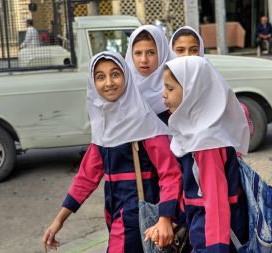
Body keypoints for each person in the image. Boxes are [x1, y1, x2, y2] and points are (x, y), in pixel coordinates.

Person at [42, 51, 182, 252]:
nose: (108, 82)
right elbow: (86, 177)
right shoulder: (103, 125)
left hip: (138, 215)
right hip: (114, 212)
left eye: (115, 74)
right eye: (100, 77)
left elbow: (170, 174)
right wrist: (59, 220)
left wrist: (165, 219)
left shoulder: (145, 124)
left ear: (126, 75)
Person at [158, 56, 250, 252]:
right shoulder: (196, 132)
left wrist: (216, 248)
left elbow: (216, 204)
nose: (163, 94)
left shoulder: (206, 143)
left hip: (214, 236)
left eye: (170, 88)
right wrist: (178, 220)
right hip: (202, 228)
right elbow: (193, 191)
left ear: (193, 92)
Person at [169, 26, 254, 135]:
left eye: (194, 50)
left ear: (200, 52)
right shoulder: (166, 81)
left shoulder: (210, 78)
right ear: (171, 52)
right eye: (180, 50)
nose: (187, 55)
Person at [125, 25, 175, 125]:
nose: (144, 60)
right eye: (138, 53)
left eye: (150, 53)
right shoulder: (123, 89)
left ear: (162, 53)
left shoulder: (177, 87)